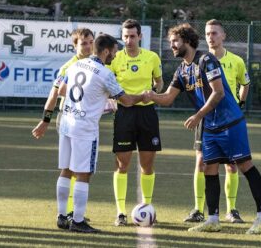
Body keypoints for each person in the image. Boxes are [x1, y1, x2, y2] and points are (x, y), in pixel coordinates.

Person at [143, 23, 261, 234]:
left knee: (244, 165)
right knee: (209, 169)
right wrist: (150, 96)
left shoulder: (206, 60)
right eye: (170, 42)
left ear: (187, 41)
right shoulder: (182, 69)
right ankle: (213, 219)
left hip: (230, 123)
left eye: (175, 41)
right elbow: (167, 98)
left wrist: (198, 115)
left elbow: (218, 92)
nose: (172, 46)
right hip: (210, 127)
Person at [56, 33, 144, 233]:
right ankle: (78, 221)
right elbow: (128, 101)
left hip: (67, 123)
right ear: (106, 51)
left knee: (66, 171)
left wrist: (94, 101)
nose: (116, 54)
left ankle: (62, 216)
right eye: (114, 51)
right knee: (84, 173)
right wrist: (145, 95)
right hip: (85, 129)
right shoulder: (105, 74)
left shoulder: (76, 65)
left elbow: (62, 90)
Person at [184, 19, 250, 224]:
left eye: (214, 33)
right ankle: (198, 209)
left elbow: (245, 83)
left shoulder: (236, 61)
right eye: (207, 33)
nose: (210, 37)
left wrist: (240, 103)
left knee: (231, 166)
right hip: (206, 116)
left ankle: (232, 210)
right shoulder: (200, 61)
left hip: (228, 120)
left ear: (223, 36)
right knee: (201, 162)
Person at [32, 28, 94, 226]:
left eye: (91, 42)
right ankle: (74, 216)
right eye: (83, 43)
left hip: (74, 120)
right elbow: (53, 95)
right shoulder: (69, 67)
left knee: (70, 169)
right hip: (72, 121)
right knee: (79, 170)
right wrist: (45, 120)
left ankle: (64, 215)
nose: (88, 46)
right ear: (74, 45)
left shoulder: (92, 64)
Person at [109, 19, 163, 226]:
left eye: (132, 36)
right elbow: (107, 81)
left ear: (140, 36)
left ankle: (147, 208)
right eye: (125, 37)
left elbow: (159, 81)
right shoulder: (115, 59)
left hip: (147, 114)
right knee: (122, 164)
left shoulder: (152, 57)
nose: (129, 40)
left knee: (147, 165)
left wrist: (155, 91)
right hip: (124, 114)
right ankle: (121, 212)